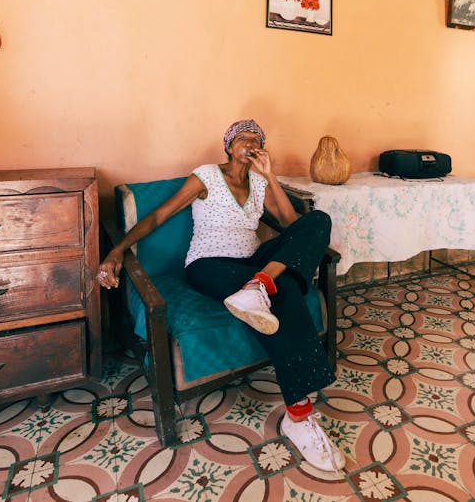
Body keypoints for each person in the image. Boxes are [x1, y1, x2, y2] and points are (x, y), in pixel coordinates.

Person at [97, 119, 346, 474]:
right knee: (287, 289)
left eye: (258, 139)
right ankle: (300, 415)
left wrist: (270, 175)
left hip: (252, 264)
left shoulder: (260, 182)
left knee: (317, 220)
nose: (252, 142)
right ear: (228, 146)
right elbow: (160, 215)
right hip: (210, 265)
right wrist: (118, 250)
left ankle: (259, 285)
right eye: (244, 137)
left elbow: (292, 224)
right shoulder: (206, 176)